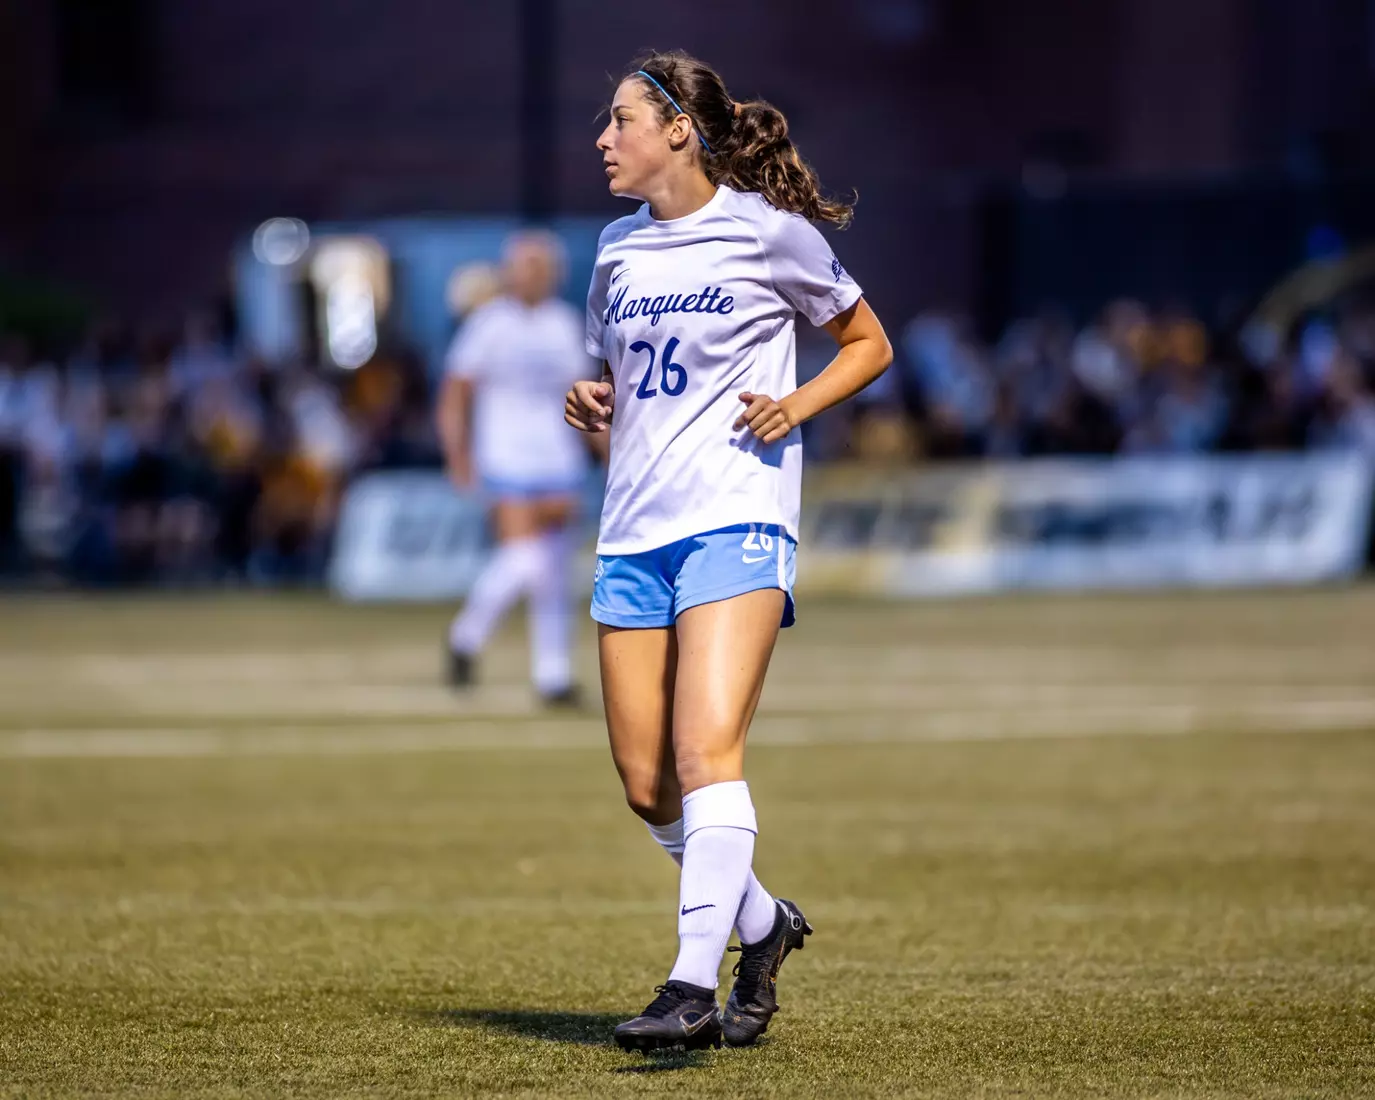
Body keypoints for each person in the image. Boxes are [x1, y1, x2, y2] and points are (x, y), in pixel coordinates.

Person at [565, 50, 893, 1051]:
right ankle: (763, 923)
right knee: (644, 783)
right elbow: (616, 386)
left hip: (736, 517)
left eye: (619, 120)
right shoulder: (617, 250)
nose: (602, 139)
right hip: (633, 528)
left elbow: (869, 340)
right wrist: (590, 405)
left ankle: (688, 984)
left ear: (677, 131)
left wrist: (794, 403)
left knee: (705, 753)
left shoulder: (767, 233)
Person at [437, 231, 598, 705]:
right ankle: (466, 634)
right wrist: (458, 453)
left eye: (539, 266)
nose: (530, 274)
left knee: (555, 570)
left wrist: (607, 450)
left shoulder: (564, 325)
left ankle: (553, 675)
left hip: (558, 456)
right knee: (526, 560)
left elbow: (581, 396)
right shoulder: (489, 324)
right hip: (505, 454)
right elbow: (455, 393)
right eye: (523, 265)